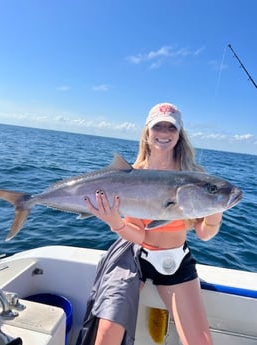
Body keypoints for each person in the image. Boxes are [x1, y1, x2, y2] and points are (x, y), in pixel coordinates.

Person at [80, 102, 223, 345]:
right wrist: (116, 223)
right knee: (105, 336)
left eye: (171, 128)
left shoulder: (194, 177)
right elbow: (139, 234)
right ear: (147, 132)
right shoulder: (133, 175)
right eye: (159, 127)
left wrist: (215, 211)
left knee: (201, 342)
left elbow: (204, 233)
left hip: (177, 260)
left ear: (179, 135)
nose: (164, 133)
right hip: (135, 256)